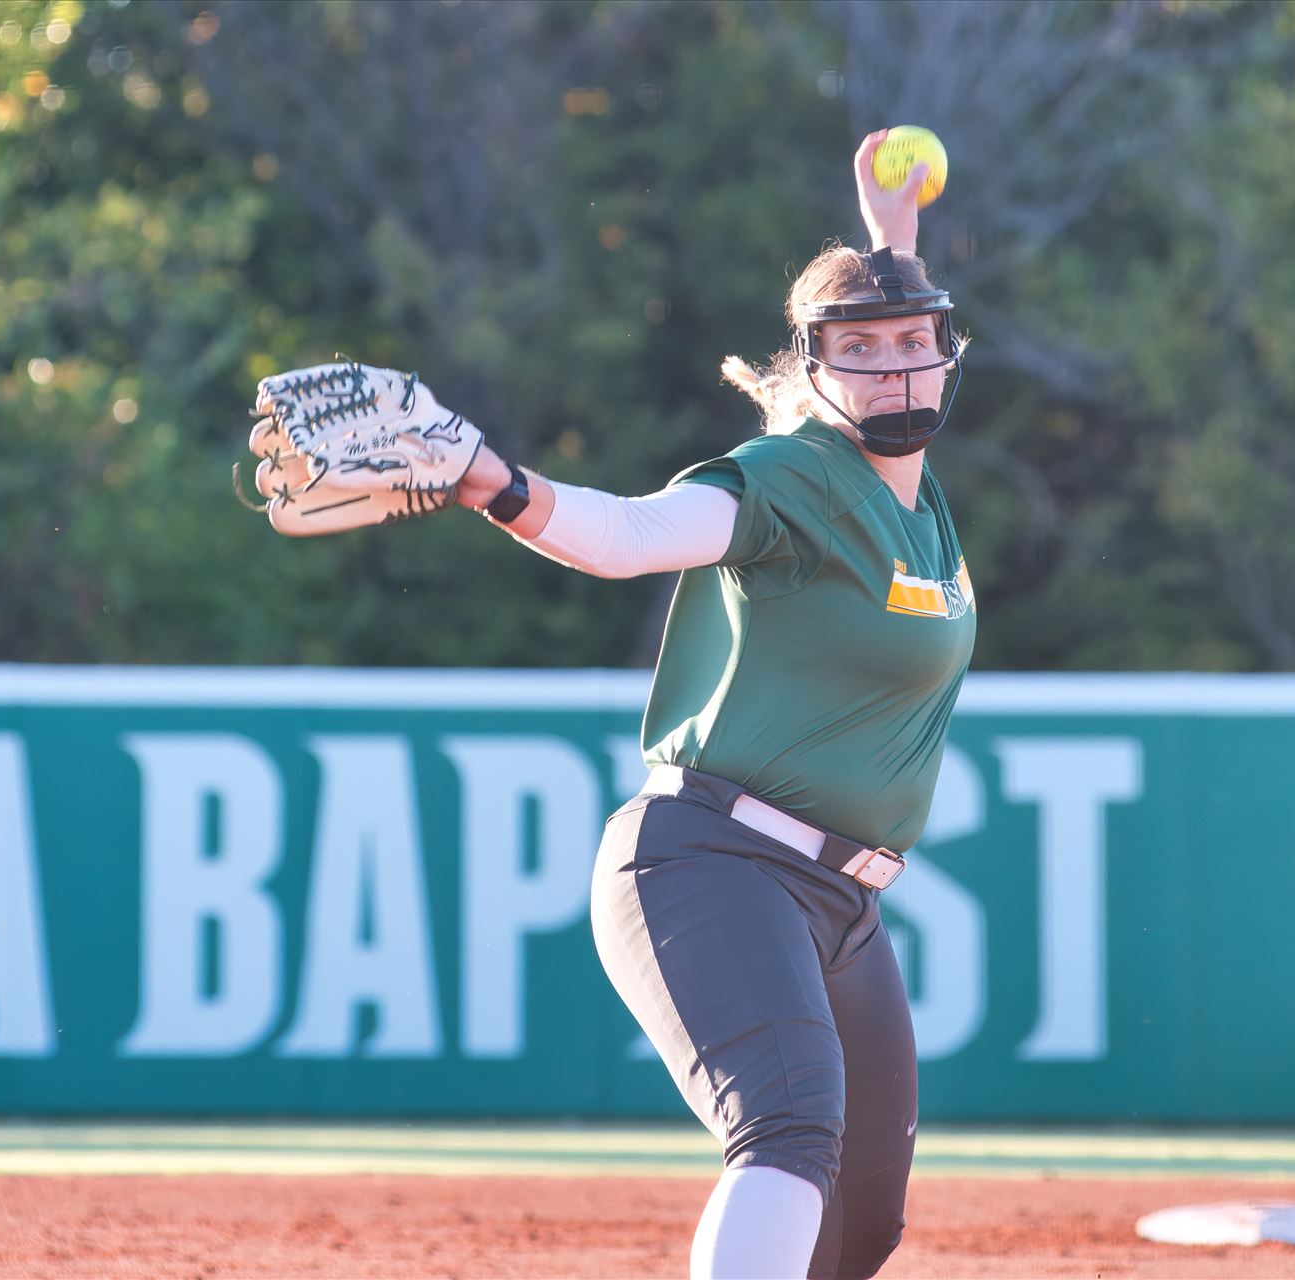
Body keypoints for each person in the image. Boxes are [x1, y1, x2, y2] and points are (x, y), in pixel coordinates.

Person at [438, 132, 969, 1279]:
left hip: (844, 899)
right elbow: (630, 535)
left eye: (914, 342)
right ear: (814, 371)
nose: (893, 368)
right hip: (712, 857)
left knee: (858, 1226)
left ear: (944, 355)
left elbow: (886, 320)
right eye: (859, 350)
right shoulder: (787, 477)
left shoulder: (920, 507)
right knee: (783, 1130)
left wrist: (892, 247)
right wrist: (494, 479)